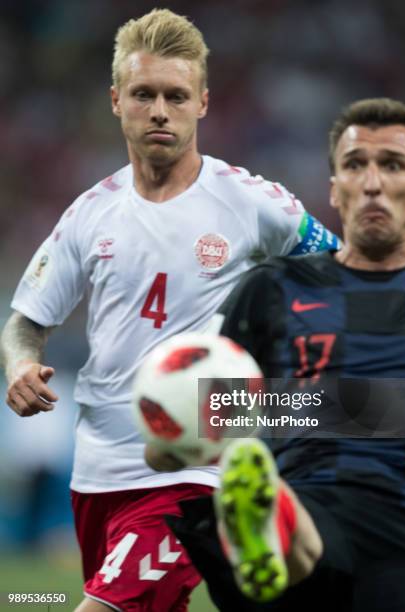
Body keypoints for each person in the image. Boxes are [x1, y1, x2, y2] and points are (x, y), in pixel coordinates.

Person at [0, 8, 339, 612]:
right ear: (115, 100)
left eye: (176, 96)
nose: (160, 109)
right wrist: (20, 366)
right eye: (144, 94)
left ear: (203, 103)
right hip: (98, 472)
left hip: (193, 468)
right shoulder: (90, 212)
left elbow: (343, 276)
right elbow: (26, 319)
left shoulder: (253, 202)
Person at [167, 98, 405, 611]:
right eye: (355, 165)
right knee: (305, 537)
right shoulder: (274, 287)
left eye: (392, 165)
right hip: (314, 489)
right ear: (334, 189)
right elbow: (214, 414)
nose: (372, 183)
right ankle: (272, 519)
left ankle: (277, 525)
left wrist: (313, 405)